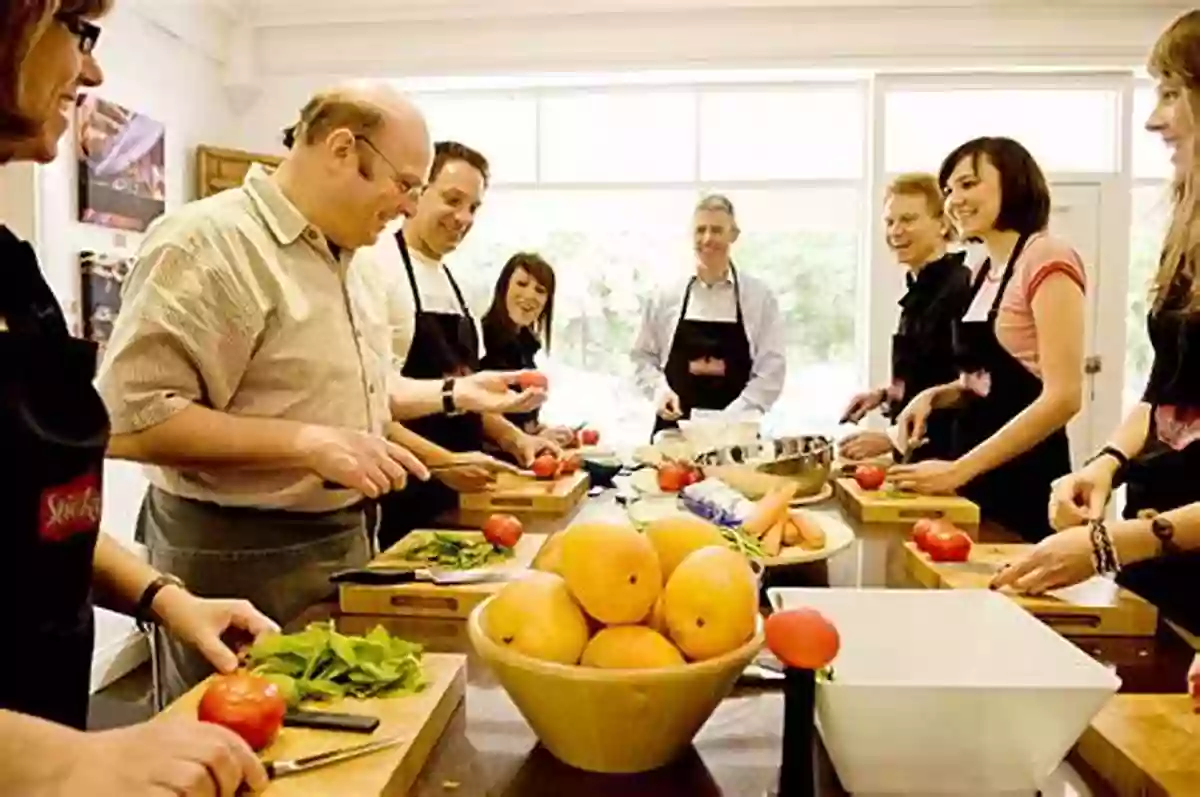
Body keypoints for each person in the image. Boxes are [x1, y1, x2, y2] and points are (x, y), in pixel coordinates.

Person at [96, 87, 541, 703]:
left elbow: (361, 395)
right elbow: (127, 423)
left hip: (344, 539)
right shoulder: (209, 242)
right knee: (232, 758)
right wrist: (304, 444)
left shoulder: (353, 260)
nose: (410, 204)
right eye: (407, 184)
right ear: (340, 148)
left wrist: (456, 394)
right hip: (236, 554)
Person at [0, 2, 274, 794]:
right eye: (79, 32)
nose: (91, 71)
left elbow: (45, 510)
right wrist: (63, 760)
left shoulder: (13, 273)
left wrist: (163, 595)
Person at [992, 9, 1200, 704]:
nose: (1154, 120)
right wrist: (1107, 463)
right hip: (1161, 573)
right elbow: (1165, 391)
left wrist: (1115, 543)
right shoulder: (1186, 236)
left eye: (1172, 92)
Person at [890, 137, 1086, 543]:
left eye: (968, 184)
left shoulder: (1048, 258)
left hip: (1025, 480)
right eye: (948, 190)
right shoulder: (983, 271)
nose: (954, 200)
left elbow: (1063, 397)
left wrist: (959, 468)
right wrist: (933, 396)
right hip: (977, 478)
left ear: (1013, 182)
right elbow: (980, 382)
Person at [368, 141, 561, 549]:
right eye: (453, 200)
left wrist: (516, 440)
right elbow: (368, 408)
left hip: (461, 493)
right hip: (402, 494)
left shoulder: (457, 286)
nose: (463, 218)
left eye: (473, 207)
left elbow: (466, 394)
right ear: (418, 192)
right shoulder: (377, 268)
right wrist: (442, 463)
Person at [839, 173, 972, 463]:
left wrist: (889, 439)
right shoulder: (919, 290)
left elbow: (968, 390)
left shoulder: (960, 289)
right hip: (914, 457)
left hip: (947, 463)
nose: (896, 231)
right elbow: (930, 372)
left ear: (943, 223)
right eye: (890, 222)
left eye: (908, 220)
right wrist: (885, 395)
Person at [631, 194, 786, 438]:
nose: (707, 238)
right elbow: (642, 358)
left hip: (737, 435)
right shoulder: (664, 295)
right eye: (700, 230)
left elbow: (772, 369)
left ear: (733, 235)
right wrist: (660, 392)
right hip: (675, 433)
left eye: (716, 230)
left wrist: (731, 417)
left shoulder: (759, 297)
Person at [479, 251, 576, 446]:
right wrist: (527, 440)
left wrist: (543, 431)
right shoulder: (480, 338)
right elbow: (478, 415)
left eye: (540, 290)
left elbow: (522, 421)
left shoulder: (527, 345)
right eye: (522, 284)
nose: (530, 295)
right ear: (503, 287)